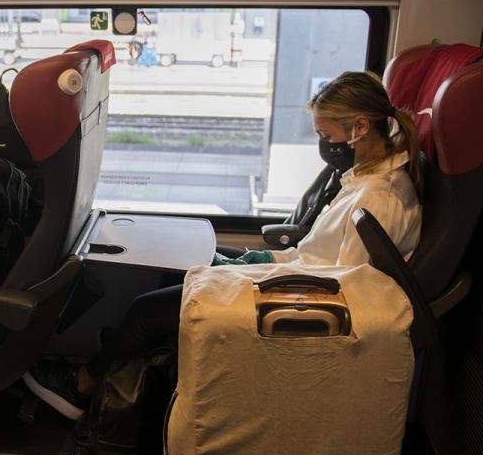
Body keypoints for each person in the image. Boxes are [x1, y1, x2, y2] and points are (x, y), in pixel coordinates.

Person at [23, 71, 423, 420]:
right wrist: (255, 261)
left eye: (325, 135)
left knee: (145, 310)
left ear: (360, 127)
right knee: (176, 264)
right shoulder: (363, 180)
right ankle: (137, 383)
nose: (323, 144)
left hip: (296, 299)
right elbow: (318, 256)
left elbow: (339, 290)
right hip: (296, 274)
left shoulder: (378, 198)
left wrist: (250, 271)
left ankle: (83, 385)